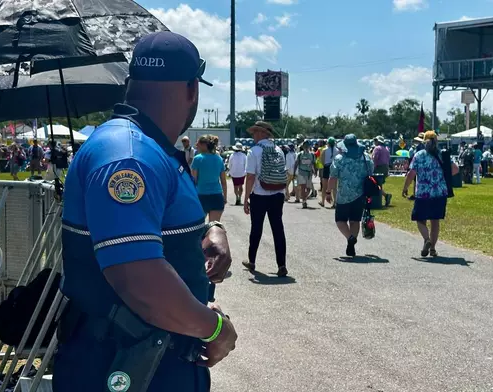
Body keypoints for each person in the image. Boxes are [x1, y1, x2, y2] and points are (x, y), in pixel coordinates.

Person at [56, 31, 237, 392]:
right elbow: (138, 278)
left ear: (130, 83)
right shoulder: (130, 154)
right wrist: (214, 328)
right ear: (192, 91)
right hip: (123, 363)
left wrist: (210, 233)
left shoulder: (148, 147)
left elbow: (153, 229)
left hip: (147, 357)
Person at [401, 131, 458, 257]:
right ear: (437, 141)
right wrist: (443, 177)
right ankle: (432, 248)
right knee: (435, 221)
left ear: (424, 141)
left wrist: (405, 188)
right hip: (440, 192)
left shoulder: (419, 155)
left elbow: (411, 174)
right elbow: (456, 169)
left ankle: (426, 239)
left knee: (420, 218)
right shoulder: (443, 154)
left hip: (423, 193)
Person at [242, 121, 288, 277]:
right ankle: (282, 265)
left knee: (256, 228)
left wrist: (246, 197)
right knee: (278, 229)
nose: (253, 135)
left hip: (259, 194)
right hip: (277, 193)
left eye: (255, 132)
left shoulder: (254, 151)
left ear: (262, 133)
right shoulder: (279, 150)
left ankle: (252, 261)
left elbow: (250, 177)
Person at [327, 134, 374, 256]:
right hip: (360, 194)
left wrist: (328, 192)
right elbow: (371, 171)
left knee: (340, 220)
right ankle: (351, 242)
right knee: (355, 220)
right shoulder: (366, 158)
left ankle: (349, 238)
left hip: (344, 195)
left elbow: (333, 177)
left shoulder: (339, 159)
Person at [192, 134, 228, 221]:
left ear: (204, 145)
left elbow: (194, 181)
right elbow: (223, 181)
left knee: (198, 227)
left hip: (201, 196)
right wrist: (225, 197)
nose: (196, 146)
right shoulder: (219, 159)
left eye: (198, 144)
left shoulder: (197, 159)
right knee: (214, 226)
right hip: (217, 196)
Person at [294, 140, 316, 209]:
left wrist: (315, 171)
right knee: (303, 188)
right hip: (301, 173)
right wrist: (295, 172)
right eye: (305, 145)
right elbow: (296, 163)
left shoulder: (312, 154)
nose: (306, 147)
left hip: (309, 173)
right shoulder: (300, 154)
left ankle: (304, 198)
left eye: (307, 145)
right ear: (303, 146)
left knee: (309, 189)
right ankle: (304, 201)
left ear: (309, 146)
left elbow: (313, 163)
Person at [372, 136, 392, 206]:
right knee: (378, 184)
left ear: (378, 141)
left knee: (375, 184)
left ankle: (384, 196)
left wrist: (372, 168)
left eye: (375, 140)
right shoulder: (386, 149)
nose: (374, 142)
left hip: (378, 168)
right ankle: (386, 196)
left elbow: (374, 159)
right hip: (385, 168)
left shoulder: (377, 148)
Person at [319, 137, 336, 208]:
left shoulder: (324, 150)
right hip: (334, 168)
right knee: (334, 187)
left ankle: (322, 202)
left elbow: (322, 160)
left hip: (326, 167)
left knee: (324, 186)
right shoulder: (337, 150)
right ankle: (334, 203)